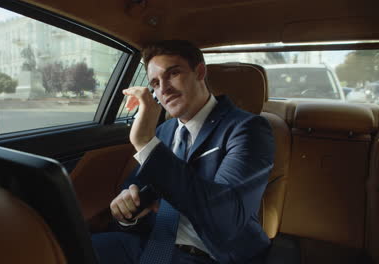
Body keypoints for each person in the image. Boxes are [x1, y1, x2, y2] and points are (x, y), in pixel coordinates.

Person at [92, 40, 275, 264]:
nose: (164, 88)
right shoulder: (163, 131)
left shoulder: (248, 129)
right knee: (66, 249)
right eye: (155, 83)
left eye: (173, 73)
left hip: (210, 255)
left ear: (200, 72)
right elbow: (138, 193)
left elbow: (225, 221)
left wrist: (146, 144)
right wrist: (126, 210)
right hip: (151, 245)